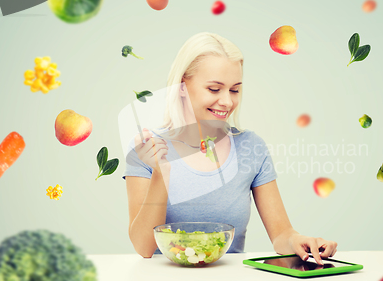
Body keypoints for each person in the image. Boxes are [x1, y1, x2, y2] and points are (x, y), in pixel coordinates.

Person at [123, 32, 337, 265]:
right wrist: (160, 173)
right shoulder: (148, 150)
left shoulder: (251, 147)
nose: (227, 102)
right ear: (182, 86)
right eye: (214, 89)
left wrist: (300, 241)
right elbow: (144, 247)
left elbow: (281, 234)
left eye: (234, 90)